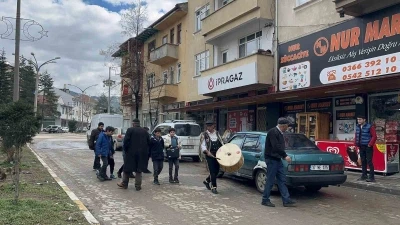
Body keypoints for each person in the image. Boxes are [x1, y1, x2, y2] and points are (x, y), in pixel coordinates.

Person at [261, 118, 296, 207]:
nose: (287, 128)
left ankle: (286, 200)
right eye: (287, 126)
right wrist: (285, 155)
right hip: (272, 159)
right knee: (270, 180)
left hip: (277, 159)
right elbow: (276, 147)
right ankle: (265, 199)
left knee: (282, 180)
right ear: (283, 126)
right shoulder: (273, 132)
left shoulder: (279, 133)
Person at [117, 119, 150, 190]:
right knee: (139, 170)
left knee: (127, 169)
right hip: (142, 154)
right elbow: (148, 142)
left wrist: (126, 150)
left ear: (133, 123)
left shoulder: (130, 130)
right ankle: (138, 186)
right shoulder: (145, 131)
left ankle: (124, 184)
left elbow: (126, 141)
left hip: (131, 153)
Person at [201, 120, 224, 194]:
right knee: (212, 172)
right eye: (207, 126)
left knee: (217, 171)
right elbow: (203, 146)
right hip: (209, 155)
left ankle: (206, 181)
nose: (209, 128)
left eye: (210, 126)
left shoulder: (217, 133)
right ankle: (214, 187)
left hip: (217, 155)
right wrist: (207, 152)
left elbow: (221, 142)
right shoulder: (204, 134)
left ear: (213, 126)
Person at [354, 115, 377, 182]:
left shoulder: (370, 126)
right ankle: (364, 175)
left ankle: (371, 177)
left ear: (364, 120)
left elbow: (374, 136)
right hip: (361, 146)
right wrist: (355, 144)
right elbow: (356, 135)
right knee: (363, 161)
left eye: (360, 119)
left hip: (368, 146)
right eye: (358, 119)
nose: (358, 121)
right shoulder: (358, 127)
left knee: (369, 161)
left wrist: (370, 144)